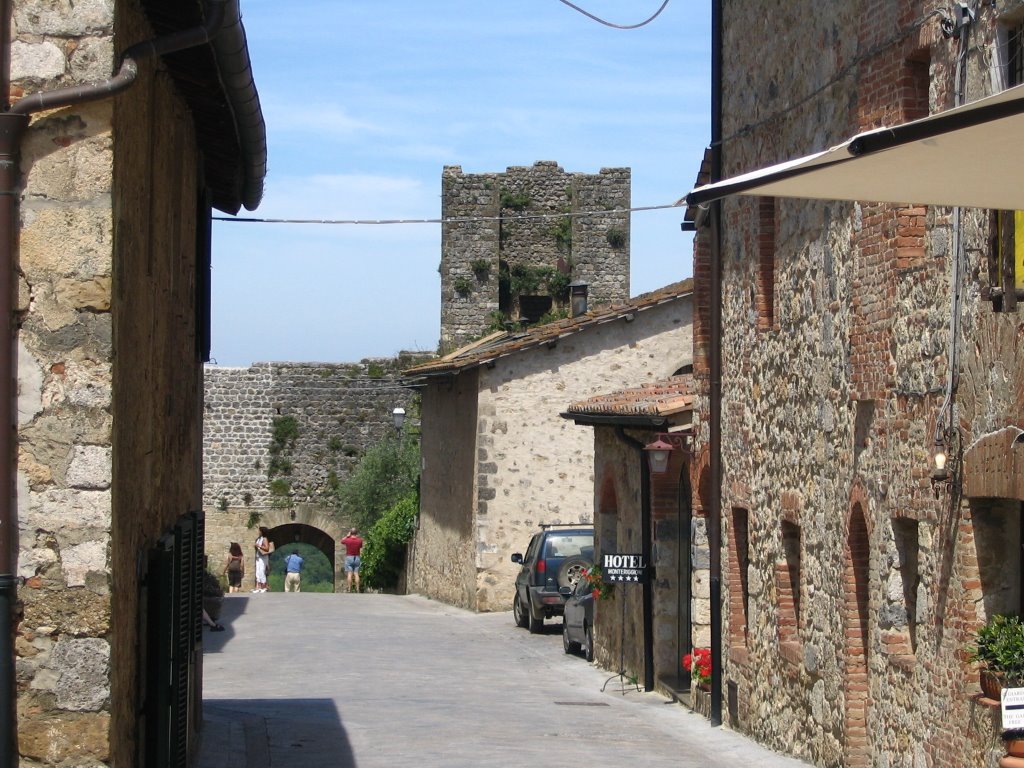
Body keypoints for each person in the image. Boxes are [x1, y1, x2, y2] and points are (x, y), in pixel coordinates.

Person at [341, 528, 364, 593]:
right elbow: (360, 546)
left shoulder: (347, 540)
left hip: (349, 557)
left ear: (350, 533)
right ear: (356, 533)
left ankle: (349, 589)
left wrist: (347, 536)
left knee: (350, 573)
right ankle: (357, 589)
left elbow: (342, 541)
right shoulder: (359, 540)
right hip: (357, 557)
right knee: (356, 573)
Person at [253, 526, 272, 592]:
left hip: (263, 557)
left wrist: (259, 546)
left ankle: (263, 586)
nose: (258, 532)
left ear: (262, 532)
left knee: (261, 571)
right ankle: (258, 586)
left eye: (259, 531)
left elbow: (267, 548)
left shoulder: (264, 539)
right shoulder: (259, 539)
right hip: (259, 557)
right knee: (258, 572)